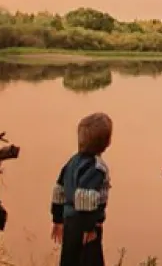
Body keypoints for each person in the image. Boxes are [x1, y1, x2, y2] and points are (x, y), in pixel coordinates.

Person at [51, 112, 113, 266]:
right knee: (90, 260)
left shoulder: (72, 161)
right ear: (106, 142)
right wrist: (90, 228)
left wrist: (57, 219)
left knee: (69, 260)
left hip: (69, 221)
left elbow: (59, 189)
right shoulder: (97, 167)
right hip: (86, 223)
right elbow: (86, 197)